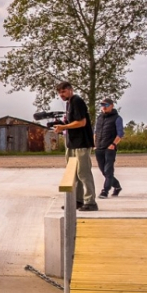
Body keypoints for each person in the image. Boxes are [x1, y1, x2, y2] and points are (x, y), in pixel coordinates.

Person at [51, 81, 98, 211]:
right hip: (72, 143)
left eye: (63, 91)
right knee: (73, 174)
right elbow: (72, 122)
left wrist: (64, 127)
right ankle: (77, 200)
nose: (61, 94)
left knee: (83, 172)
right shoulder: (69, 103)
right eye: (59, 93)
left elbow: (82, 122)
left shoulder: (77, 101)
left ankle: (90, 201)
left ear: (70, 90)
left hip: (81, 143)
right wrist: (62, 124)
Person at [95, 97, 124, 198]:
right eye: (102, 105)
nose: (104, 107)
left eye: (106, 105)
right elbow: (96, 132)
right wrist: (94, 144)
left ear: (111, 106)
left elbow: (120, 134)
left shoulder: (117, 118)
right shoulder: (99, 118)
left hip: (109, 148)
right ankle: (117, 186)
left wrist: (113, 144)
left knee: (108, 170)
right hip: (99, 147)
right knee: (103, 171)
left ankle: (105, 191)